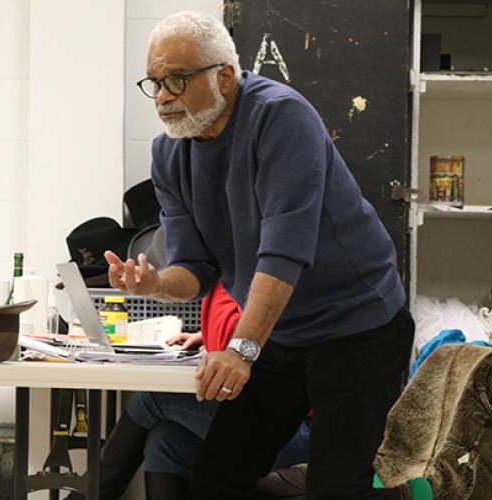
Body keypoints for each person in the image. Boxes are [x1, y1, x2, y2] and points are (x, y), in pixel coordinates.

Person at [104, 10, 415, 500]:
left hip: (357, 325)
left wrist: (241, 351)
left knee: (336, 490)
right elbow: (196, 269)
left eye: (177, 80)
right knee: (215, 478)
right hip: (282, 331)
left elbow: (283, 254)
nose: (162, 97)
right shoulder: (170, 153)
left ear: (225, 76)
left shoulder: (280, 117)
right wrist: (157, 284)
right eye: (156, 82)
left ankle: (411, 494)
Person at [66, 282, 311, 500]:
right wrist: (206, 336)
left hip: (294, 431)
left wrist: (222, 339)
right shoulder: (226, 276)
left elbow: (258, 337)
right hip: (266, 417)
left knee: (154, 398)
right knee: (165, 440)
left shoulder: (258, 278)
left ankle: (85, 497)